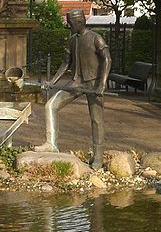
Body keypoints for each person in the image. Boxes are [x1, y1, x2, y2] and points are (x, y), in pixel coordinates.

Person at [34, 9, 111, 169]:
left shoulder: (96, 38)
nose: (68, 25)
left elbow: (107, 59)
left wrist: (101, 84)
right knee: (51, 105)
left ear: (79, 22)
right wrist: (52, 81)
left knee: (96, 120)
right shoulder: (72, 40)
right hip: (76, 82)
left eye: (70, 23)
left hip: (93, 83)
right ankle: (51, 143)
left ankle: (97, 157)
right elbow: (66, 63)